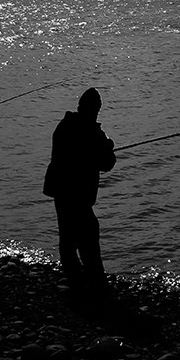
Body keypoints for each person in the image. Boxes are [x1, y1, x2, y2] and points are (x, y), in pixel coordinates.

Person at [43, 87, 117, 298]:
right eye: (96, 108)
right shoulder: (91, 132)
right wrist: (108, 146)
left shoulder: (64, 125)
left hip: (61, 190)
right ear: (95, 109)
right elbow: (107, 163)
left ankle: (77, 280)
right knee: (89, 235)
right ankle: (95, 283)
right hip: (78, 194)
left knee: (68, 237)